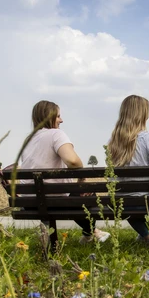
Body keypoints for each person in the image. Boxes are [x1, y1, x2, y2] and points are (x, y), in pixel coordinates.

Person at [17, 100, 109, 244]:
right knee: (88, 194)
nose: (61, 120)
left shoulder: (28, 139)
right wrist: (81, 175)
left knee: (75, 195)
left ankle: (91, 233)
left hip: (30, 201)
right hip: (54, 199)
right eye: (58, 116)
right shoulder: (55, 134)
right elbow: (73, 161)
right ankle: (89, 234)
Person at [106, 94, 149, 245]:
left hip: (121, 203)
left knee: (130, 204)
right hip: (147, 202)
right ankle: (147, 236)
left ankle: (142, 233)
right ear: (144, 114)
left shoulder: (112, 142)